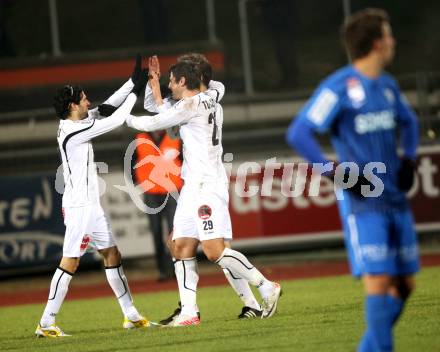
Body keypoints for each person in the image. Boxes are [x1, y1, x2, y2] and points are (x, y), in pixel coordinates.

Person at [286, 8, 419, 352]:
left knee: (405, 284)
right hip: (365, 204)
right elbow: (300, 132)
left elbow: (411, 122)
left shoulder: (388, 86)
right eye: (389, 35)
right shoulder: (339, 87)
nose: (394, 41)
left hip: (396, 201)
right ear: (377, 43)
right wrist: (335, 173)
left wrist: (410, 158)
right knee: (378, 281)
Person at [127, 60, 282, 326]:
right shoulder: (210, 97)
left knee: (214, 251)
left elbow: (154, 119)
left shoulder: (190, 106)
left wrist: (119, 116)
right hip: (193, 185)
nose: (169, 85)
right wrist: (154, 85)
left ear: (184, 81)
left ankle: (266, 286)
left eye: (172, 80)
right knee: (179, 245)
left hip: (206, 185)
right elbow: (163, 109)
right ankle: (189, 313)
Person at [35, 56, 151, 337]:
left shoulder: (78, 121)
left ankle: (131, 315)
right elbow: (117, 118)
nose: (89, 103)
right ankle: (47, 322)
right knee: (71, 261)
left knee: (111, 252)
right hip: (79, 205)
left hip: (90, 204)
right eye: (84, 100)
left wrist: (131, 82)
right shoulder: (74, 131)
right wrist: (138, 91)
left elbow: (107, 105)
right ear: (73, 106)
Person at [134, 128, 182, 282]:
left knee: (174, 232)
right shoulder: (139, 139)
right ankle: (162, 270)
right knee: (156, 232)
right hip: (151, 193)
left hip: (172, 191)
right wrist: (139, 182)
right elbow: (129, 161)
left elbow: (186, 159)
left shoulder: (174, 137)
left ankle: (176, 269)